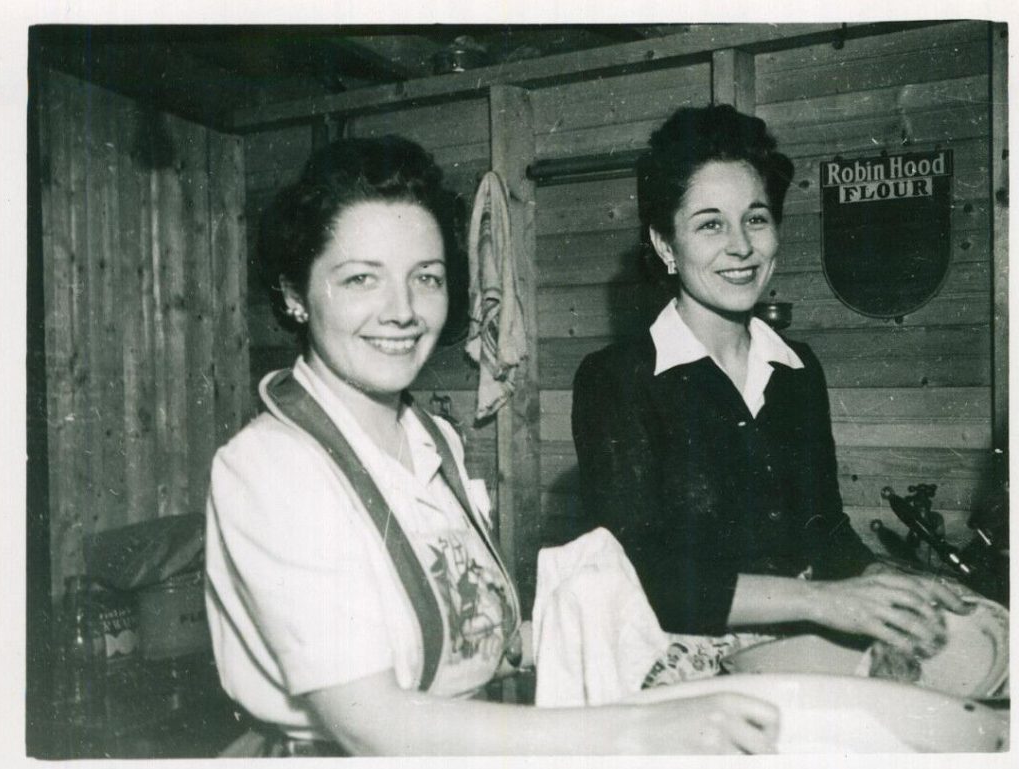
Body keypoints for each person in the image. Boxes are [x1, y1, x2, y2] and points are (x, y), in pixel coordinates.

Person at [204, 135, 780, 756]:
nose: (402, 311)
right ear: (295, 294)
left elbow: (477, 644)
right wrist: (640, 728)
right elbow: (367, 721)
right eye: (360, 279)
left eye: (425, 277)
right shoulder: (272, 468)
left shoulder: (434, 442)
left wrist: (663, 657)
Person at [571, 105, 969, 658]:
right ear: (665, 245)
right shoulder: (616, 380)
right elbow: (641, 577)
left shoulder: (797, 368)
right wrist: (823, 603)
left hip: (797, 650)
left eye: (755, 218)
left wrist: (890, 580)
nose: (741, 246)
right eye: (710, 224)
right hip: (674, 667)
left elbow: (825, 531)